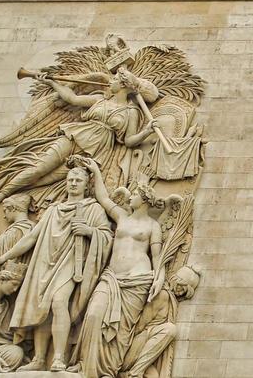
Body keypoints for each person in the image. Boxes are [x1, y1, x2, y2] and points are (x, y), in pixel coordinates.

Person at [0, 163, 112, 373]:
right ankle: (39, 358)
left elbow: (107, 236)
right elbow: (31, 238)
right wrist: (3, 258)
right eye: (70, 179)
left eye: (78, 180)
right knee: (43, 307)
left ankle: (59, 357)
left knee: (58, 301)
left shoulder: (92, 208)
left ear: (87, 184)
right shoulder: (53, 210)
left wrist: (89, 231)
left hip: (72, 263)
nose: (73, 183)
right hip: (46, 262)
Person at [0, 65, 162, 214]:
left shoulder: (131, 112)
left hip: (94, 152)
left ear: (124, 85)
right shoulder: (99, 99)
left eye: (115, 79)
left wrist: (146, 131)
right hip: (75, 137)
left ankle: (14, 196)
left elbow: (129, 140)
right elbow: (72, 98)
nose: (111, 81)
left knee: (49, 179)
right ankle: (0, 196)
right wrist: (51, 82)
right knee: (40, 168)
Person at [77, 160, 164, 378]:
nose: (129, 197)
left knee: (122, 331)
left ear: (144, 199)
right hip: (112, 278)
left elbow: (157, 257)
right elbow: (104, 199)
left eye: (134, 194)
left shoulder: (153, 226)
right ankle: (88, 369)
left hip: (137, 281)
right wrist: (96, 171)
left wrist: (159, 279)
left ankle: (109, 370)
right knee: (94, 314)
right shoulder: (121, 217)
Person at [121, 266, 201, 378]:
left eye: (185, 291)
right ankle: (134, 374)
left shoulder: (171, 300)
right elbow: (140, 326)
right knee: (170, 329)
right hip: (134, 346)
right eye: (182, 287)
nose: (181, 292)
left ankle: (128, 374)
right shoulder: (162, 295)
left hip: (143, 351)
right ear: (175, 280)